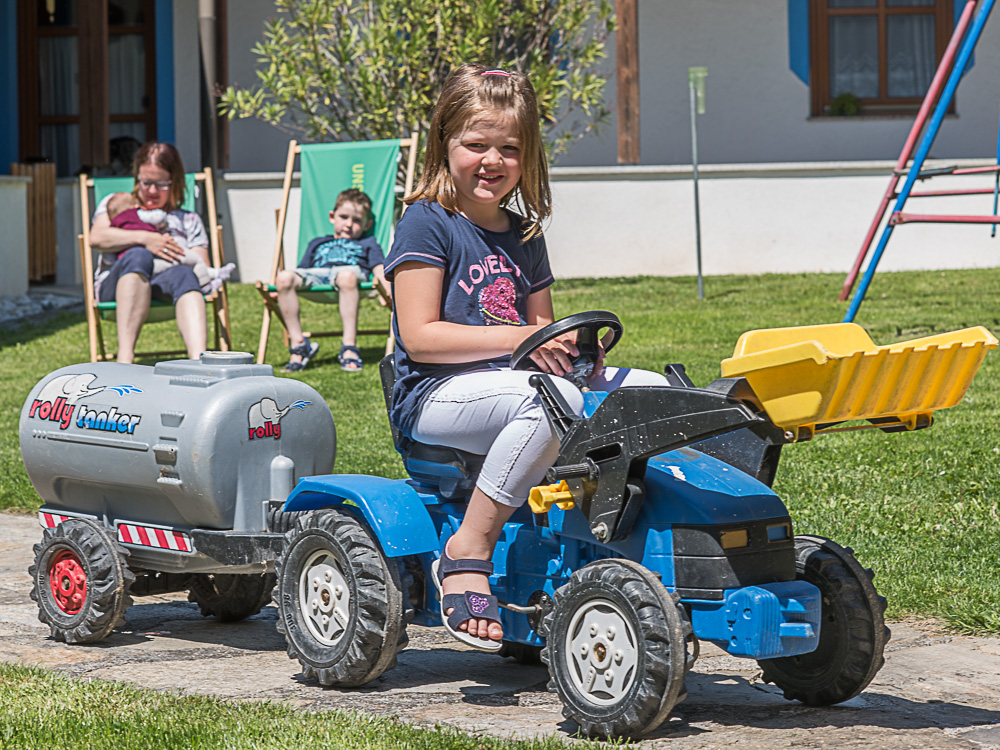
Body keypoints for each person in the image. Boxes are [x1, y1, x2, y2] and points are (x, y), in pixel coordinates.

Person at [383, 64, 669, 651]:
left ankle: (642, 540)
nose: (492, 160)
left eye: (509, 148)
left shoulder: (524, 234)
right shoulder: (427, 222)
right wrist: (520, 338)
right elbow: (420, 338)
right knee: (555, 400)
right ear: (445, 143)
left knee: (651, 390)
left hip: (513, 384)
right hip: (434, 396)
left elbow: (540, 331)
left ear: (528, 154)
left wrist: (566, 346)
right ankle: (469, 548)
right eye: (476, 144)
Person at [88, 142, 209, 364]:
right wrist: (146, 238)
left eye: (161, 184)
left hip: (164, 286)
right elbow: (96, 238)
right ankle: (125, 359)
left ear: (176, 182)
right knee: (138, 255)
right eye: (146, 183)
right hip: (116, 288)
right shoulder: (119, 204)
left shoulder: (188, 220)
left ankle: (199, 363)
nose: (152, 191)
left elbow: (202, 267)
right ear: (137, 179)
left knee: (185, 274)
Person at [273, 188, 390, 373]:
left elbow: (378, 267)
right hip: (319, 275)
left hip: (351, 277)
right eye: (344, 217)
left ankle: (349, 347)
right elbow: (303, 271)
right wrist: (281, 288)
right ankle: (299, 346)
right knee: (284, 277)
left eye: (357, 220)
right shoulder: (317, 242)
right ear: (332, 216)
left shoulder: (368, 243)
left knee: (346, 276)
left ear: (367, 225)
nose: (349, 224)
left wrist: (388, 288)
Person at [105, 192, 235, 294]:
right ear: (134, 206)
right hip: (157, 258)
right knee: (193, 260)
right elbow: (159, 217)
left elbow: (108, 256)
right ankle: (207, 285)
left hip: (139, 269)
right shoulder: (137, 214)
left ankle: (213, 274)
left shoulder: (114, 229)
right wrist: (162, 224)